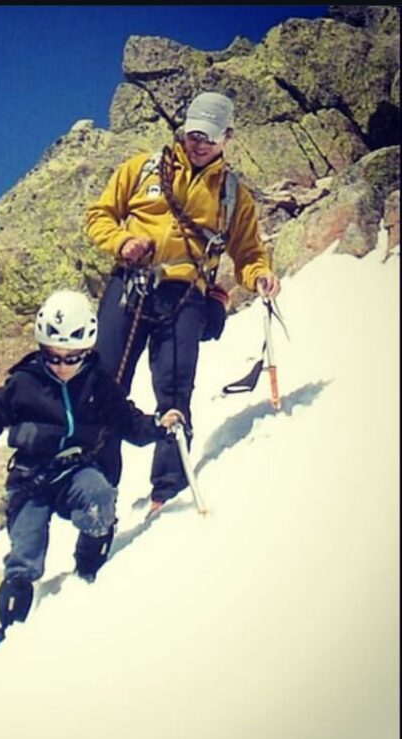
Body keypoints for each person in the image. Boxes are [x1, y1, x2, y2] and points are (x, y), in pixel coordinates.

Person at [85, 91, 280, 514]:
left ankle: (168, 486)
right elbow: (99, 216)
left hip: (185, 295)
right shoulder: (141, 169)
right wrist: (123, 241)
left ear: (227, 136)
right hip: (131, 282)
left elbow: (247, 252)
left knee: (174, 389)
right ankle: (101, 488)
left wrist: (258, 275)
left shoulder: (232, 195)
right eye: (194, 134)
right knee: (104, 384)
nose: (199, 143)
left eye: (209, 137)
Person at [0, 289, 182, 646]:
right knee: (25, 552)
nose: (63, 366)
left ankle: (89, 567)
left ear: (88, 351)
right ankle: (11, 625)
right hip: (29, 478)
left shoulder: (98, 382)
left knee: (99, 498)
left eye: (72, 358)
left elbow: (126, 420)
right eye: (53, 358)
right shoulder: (24, 382)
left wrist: (159, 427)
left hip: (75, 469)